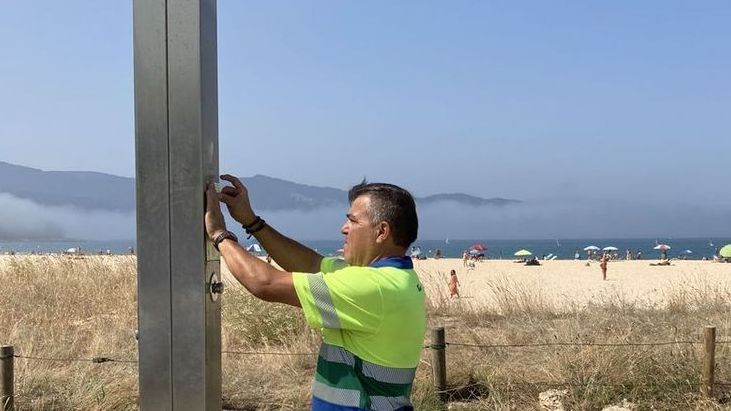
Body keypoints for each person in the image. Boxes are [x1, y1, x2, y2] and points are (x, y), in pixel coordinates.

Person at [204, 174, 426, 410]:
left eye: (352, 221)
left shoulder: (374, 287)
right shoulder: (394, 278)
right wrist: (251, 221)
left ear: (382, 232)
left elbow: (265, 283)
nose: (344, 228)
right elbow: (310, 264)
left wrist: (219, 234)